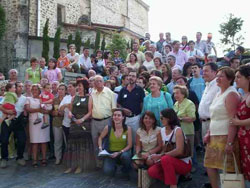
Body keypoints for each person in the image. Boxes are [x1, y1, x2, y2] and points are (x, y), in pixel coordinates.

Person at [204, 67, 240, 188]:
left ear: (230, 79)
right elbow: (214, 116)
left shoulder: (231, 94)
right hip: (214, 135)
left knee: (228, 168)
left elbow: (233, 120)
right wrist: (208, 132)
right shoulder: (219, 93)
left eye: (221, 76)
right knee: (210, 165)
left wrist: (230, 142)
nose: (217, 78)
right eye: (217, 75)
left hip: (225, 136)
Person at [148, 108, 192, 188]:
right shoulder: (162, 130)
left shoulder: (177, 130)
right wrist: (156, 157)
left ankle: (173, 185)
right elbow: (164, 148)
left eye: (162, 118)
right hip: (169, 160)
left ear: (169, 118)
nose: (160, 120)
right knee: (152, 171)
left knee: (165, 159)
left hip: (183, 161)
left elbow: (179, 151)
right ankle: (174, 177)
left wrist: (161, 156)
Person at [64, 79, 95, 174]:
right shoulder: (74, 97)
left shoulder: (89, 98)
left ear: (85, 87)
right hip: (74, 124)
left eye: (80, 86)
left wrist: (82, 120)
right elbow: (70, 109)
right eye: (77, 86)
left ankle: (81, 166)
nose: (78, 87)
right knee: (73, 146)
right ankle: (72, 166)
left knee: (82, 146)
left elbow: (90, 111)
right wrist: (70, 114)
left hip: (84, 124)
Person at [90, 75, 116, 167]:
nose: (98, 83)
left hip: (106, 120)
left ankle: (108, 163)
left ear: (103, 82)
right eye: (96, 81)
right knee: (95, 142)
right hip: (94, 121)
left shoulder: (110, 93)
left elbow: (114, 108)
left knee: (107, 142)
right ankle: (98, 163)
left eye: (100, 81)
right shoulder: (92, 93)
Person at [98, 108, 132, 178]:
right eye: (114, 115)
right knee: (108, 172)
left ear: (123, 117)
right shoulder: (108, 128)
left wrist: (119, 152)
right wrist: (100, 147)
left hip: (122, 152)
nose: (116, 117)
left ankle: (125, 170)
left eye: (119, 115)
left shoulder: (128, 129)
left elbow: (130, 145)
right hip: (111, 153)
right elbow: (100, 138)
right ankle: (114, 166)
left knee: (126, 156)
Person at [0, 82, 27, 168]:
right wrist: (7, 111)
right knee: (4, 140)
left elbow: (26, 109)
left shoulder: (24, 98)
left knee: (22, 140)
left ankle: (20, 157)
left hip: (18, 121)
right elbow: (0, 106)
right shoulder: (7, 96)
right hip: (7, 120)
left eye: (22, 87)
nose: (20, 88)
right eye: (19, 86)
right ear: (14, 88)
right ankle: (4, 158)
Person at [231, 65, 250, 187]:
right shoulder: (243, 95)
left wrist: (238, 123)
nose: (236, 79)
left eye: (239, 77)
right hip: (243, 139)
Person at [25, 84, 50, 167]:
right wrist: (38, 110)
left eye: (36, 89)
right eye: (33, 89)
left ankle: (44, 158)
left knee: (44, 140)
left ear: (39, 91)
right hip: (33, 122)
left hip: (44, 121)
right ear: (31, 91)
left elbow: (48, 109)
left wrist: (45, 110)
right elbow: (28, 109)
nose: (35, 91)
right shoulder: (28, 99)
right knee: (34, 141)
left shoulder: (43, 99)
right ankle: (34, 160)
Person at [117, 70, 145, 143]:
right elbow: (118, 103)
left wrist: (141, 117)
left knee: (136, 139)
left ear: (136, 78)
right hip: (124, 119)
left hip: (136, 118)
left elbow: (142, 104)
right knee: (125, 139)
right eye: (129, 76)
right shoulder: (123, 90)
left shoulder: (140, 90)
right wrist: (123, 109)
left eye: (133, 76)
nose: (131, 78)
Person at [198, 63, 220, 140]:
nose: (204, 73)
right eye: (203, 71)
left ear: (214, 72)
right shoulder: (207, 85)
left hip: (213, 123)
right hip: (205, 123)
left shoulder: (218, 86)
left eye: (206, 71)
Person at [173, 85, 196, 157]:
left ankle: (193, 166)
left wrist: (180, 119)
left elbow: (192, 118)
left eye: (177, 93)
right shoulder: (176, 104)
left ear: (183, 94)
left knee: (188, 151)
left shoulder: (189, 103)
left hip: (187, 131)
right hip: (178, 132)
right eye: (174, 93)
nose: (175, 95)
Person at [51, 83, 66, 165]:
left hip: (66, 122)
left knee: (66, 142)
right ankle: (58, 158)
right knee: (57, 142)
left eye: (62, 89)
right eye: (59, 89)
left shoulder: (68, 99)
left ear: (65, 91)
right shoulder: (54, 100)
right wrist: (55, 113)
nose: (60, 91)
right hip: (56, 122)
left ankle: (67, 158)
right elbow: (51, 111)